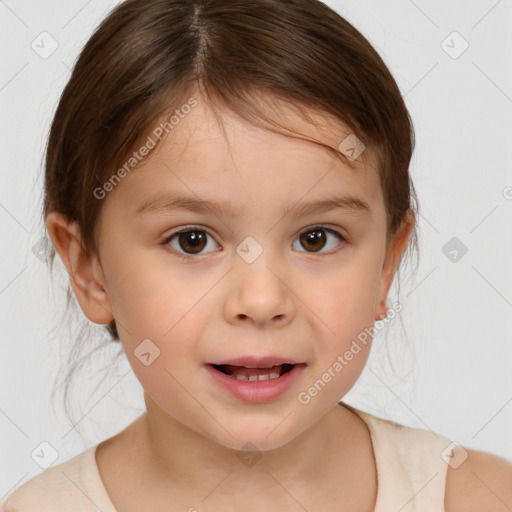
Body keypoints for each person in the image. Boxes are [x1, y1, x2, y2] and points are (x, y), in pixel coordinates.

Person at [2, 0, 511, 510]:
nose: (263, 300)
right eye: (192, 240)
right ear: (89, 270)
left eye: (316, 238)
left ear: (385, 265)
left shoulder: (478, 497)